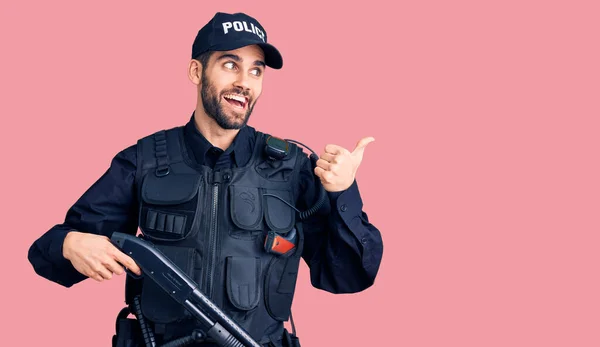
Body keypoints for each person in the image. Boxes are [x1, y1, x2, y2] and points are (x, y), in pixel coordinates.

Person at [27, 11, 383, 347]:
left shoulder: (290, 168)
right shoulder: (145, 160)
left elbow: (348, 275)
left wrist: (342, 194)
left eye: (256, 71)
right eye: (230, 65)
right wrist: (70, 244)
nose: (244, 82)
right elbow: (46, 255)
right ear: (196, 72)